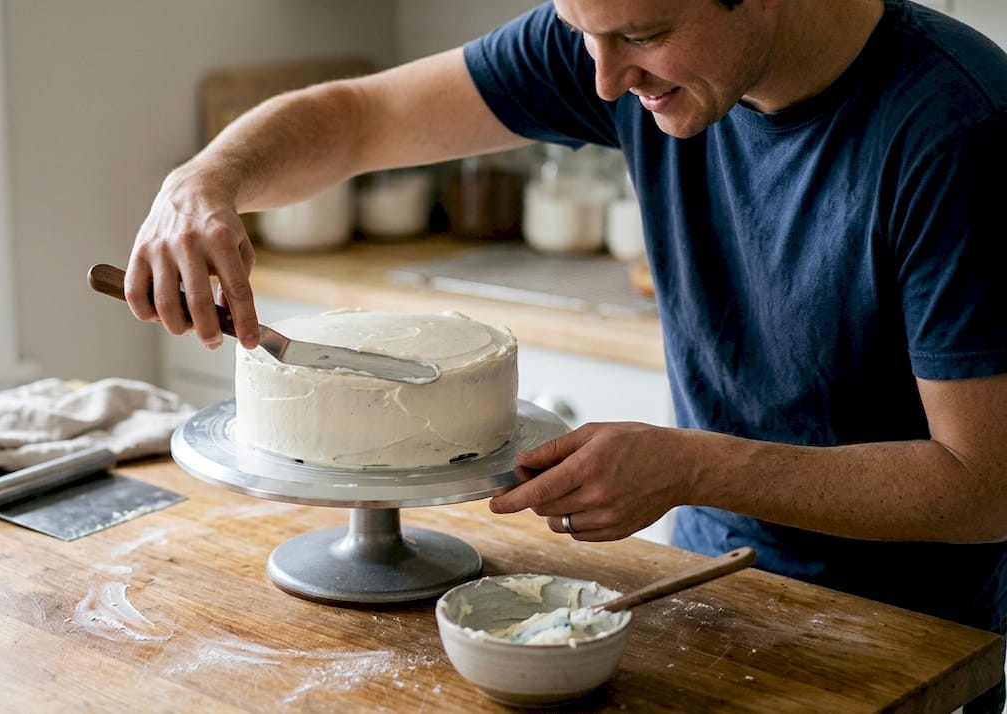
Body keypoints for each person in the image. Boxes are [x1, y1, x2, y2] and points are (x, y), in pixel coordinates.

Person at [124, 1, 1007, 709]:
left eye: (642, 37)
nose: (605, 80)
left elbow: (986, 486)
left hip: (909, 643)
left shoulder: (957, 130)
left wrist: (695, 467)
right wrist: (204, 180)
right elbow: (364, 118)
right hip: (698, 591)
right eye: (583, 32)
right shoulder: (616, 38)